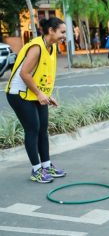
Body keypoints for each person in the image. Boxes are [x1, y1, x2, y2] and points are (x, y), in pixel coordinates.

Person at [5, 17, 67, 183]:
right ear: (51, 31)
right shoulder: (36, 47)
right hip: (19, 93)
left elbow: (42, 74)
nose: (64, 35)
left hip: (34, 92)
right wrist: (40, 94)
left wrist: (46, 94)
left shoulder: (51, 47)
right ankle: (36, 170)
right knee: (33, 128)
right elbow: (24, 74)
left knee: (43, 128)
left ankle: (46, 165)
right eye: (62, 32)